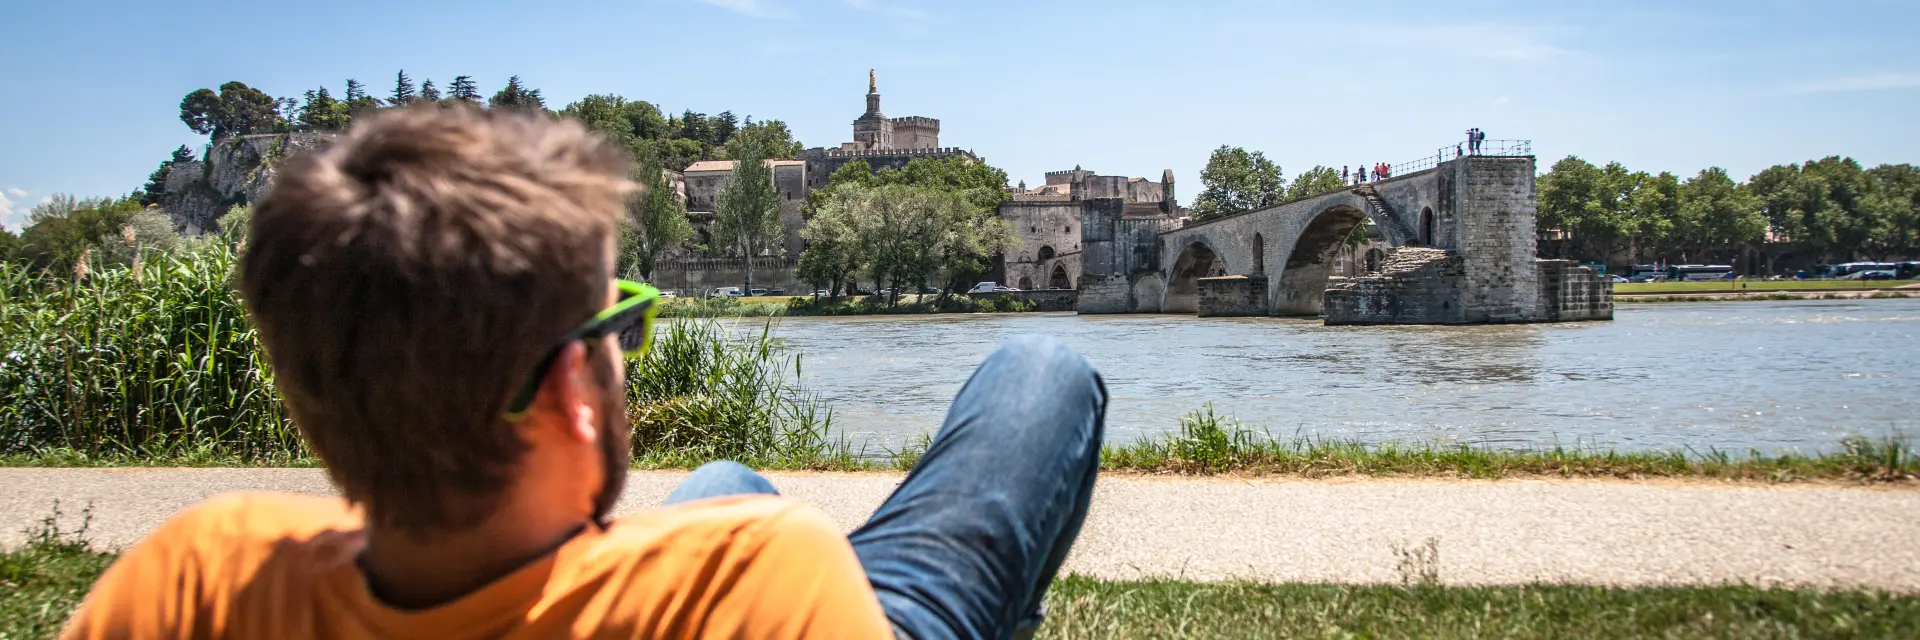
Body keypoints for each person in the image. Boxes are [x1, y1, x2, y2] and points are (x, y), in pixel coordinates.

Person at [62, 105, 1108, 639]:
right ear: (572, 390)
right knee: (1042, 368)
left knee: (726, 480)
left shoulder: (197, 574)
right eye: (623, 323)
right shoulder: (766, 575)